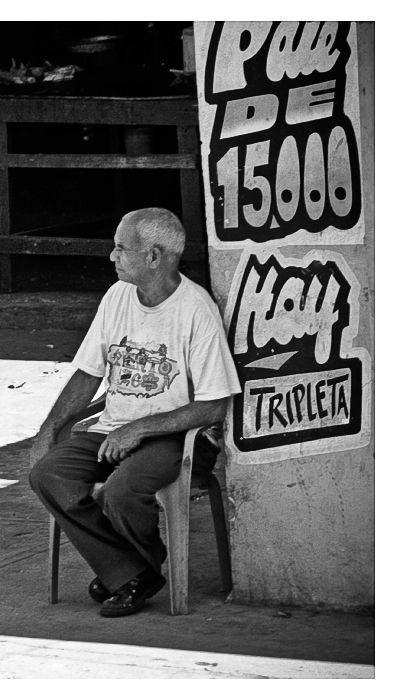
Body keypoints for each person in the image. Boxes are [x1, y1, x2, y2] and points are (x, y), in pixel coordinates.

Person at [29, 207, 240, 617]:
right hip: (114, 427)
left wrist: (141, 428)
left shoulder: (196, 310)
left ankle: (128, 572)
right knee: (49, 474)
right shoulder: (117, 296)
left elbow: (214, 404)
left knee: (123, 491)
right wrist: (50, 428)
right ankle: (130, 571)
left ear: (155, 256)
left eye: (122, 248)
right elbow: (89, 372)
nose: (112, 256)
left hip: (175, 435)